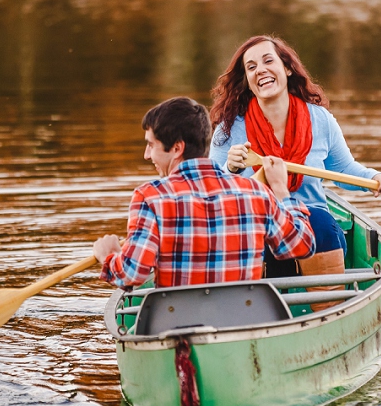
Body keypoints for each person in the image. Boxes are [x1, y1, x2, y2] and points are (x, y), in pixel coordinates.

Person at [209, 35, 381, 305]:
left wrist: (374, 178)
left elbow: (344, 169)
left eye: (267, 61)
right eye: (251, 67)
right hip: (256, 227)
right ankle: (252, 312)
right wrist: (230, 167)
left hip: (313, 230)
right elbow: (209, 192)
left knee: (320, 223)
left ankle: (329, 310)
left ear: (287, 68)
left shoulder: (320, 120)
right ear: (247, 81)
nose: (260, 70)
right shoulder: (229, 129)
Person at [92, 96, 315, 289]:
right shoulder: (256, 192)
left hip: (179, 329)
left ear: (177, 148)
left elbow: (131, 275)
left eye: (151, 145)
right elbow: (303, 245)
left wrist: (109, 257)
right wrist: (282, 191)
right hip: (244, 322)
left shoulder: (150, 198)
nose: (146, 155)